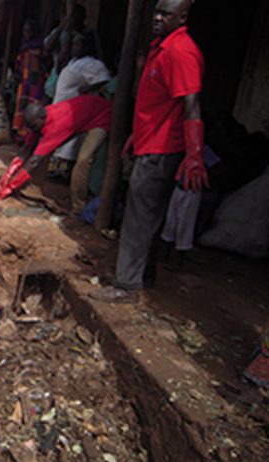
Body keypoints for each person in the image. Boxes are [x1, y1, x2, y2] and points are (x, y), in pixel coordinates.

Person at [92, 0, 206, 303]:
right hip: (150, 141)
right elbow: (157, 105)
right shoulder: (162, 47)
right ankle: (144, 275)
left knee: (139, 216)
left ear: (182, 17)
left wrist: (194, 154)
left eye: (165, 14)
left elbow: (191, 106)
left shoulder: (181, 53)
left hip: (162, 149)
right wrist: (135, 137)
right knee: (149, 214)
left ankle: (126, 285)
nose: (156, 18)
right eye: (156, 12)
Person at [0, 95, 112, 214]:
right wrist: (8, 174)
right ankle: (32, 188)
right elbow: (27, 148)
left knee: (83, 160)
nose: (33, 130)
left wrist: (10, 187)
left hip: (101, 116)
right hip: (84, 112)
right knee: (41, 155)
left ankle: (78, 206)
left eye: (34, 127)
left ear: (42, 118)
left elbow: (34, 161)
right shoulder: (37, 122)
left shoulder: (56, 126)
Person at [48, 30, 111, 178]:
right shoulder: (74, 61)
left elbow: (105, 81)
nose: (74, 48)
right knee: (62, 140)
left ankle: (64, 172)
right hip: (63, 106)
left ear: (86, 46)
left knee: (70, 144)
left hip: (75, 110)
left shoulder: (93, 64)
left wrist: (88, 88)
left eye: (77, 44)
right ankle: (58, 170)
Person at [12, 19, 45, 144]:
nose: (27, 33)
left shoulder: (39, 48)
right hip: (24, 81)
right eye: (25, 30)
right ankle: (20, 134)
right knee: (21, 107)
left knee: (32, 107)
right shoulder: (24, 46)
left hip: (35, 82)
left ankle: (28, 136)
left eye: (29, 30)